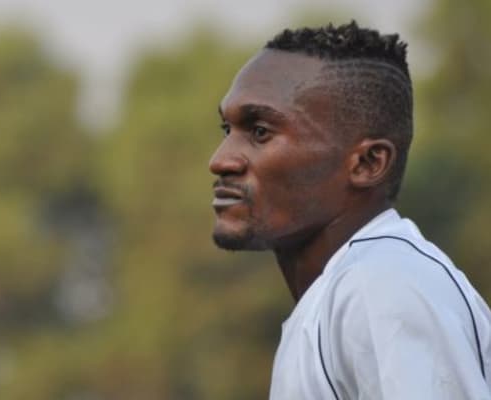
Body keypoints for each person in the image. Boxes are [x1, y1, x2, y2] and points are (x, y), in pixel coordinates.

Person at [208, 21, 491, 399]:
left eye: (260, 132)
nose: (221, 160)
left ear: (368, 163)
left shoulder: (384, 285)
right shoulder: (345, 292)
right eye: (227, 130)